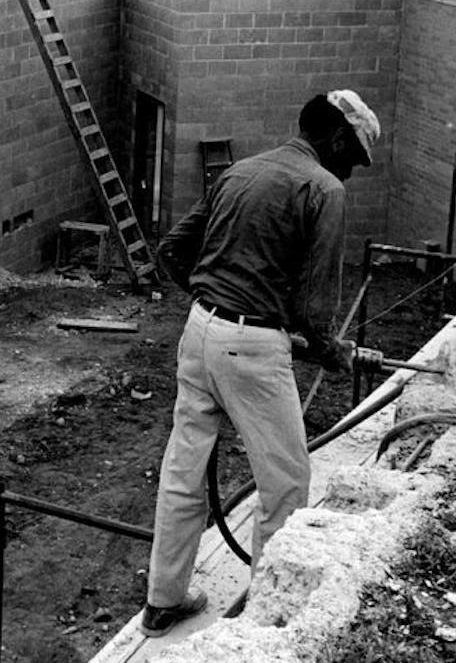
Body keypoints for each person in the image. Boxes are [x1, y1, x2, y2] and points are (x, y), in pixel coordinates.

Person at [140, 89, 380, 637]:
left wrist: (215, 307)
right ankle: (263, 621)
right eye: (355, 157)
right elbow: (313, 310)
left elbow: (173, 251)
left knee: (183, 472)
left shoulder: (242, 170)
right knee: (287, 482)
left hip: (197, 333)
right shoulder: (324, 188)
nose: (353, 170)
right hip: (251, 350)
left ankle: (164, 601)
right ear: (338, 138)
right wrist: (330, 350)